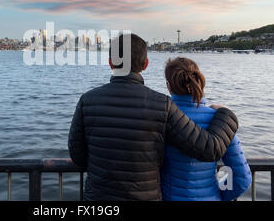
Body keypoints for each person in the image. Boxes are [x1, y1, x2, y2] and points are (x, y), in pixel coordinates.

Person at [68, 33, 239, 201]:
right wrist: (226, 114)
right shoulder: (162, 105)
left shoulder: (87, 100)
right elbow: (209, 149)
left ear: (111, 62)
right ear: (145, 64)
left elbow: (78, 157)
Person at [160, 57, 252, 201]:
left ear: (169, 86)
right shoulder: (221, 121)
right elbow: (242, 178)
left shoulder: (160, 119)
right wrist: (218, 194)